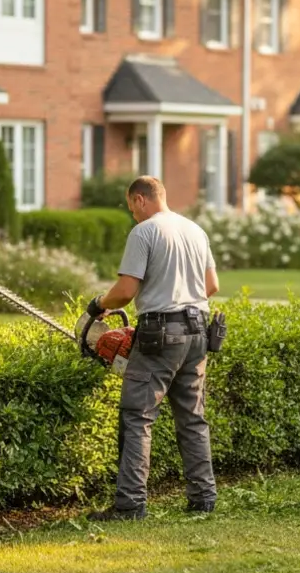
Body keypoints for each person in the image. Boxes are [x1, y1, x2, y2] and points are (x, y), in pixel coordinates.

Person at [85, 176, 220, 521]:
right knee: (192, 418)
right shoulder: (195, 230)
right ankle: (203, 498)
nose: (133, 214)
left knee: (137, 417)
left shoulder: (144, 232)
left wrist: (99, 304)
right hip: (197, 333)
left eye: (132, 207)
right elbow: (211, 285)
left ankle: (130, 505)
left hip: (161, 335)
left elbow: (125, 291)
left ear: (140, 199)